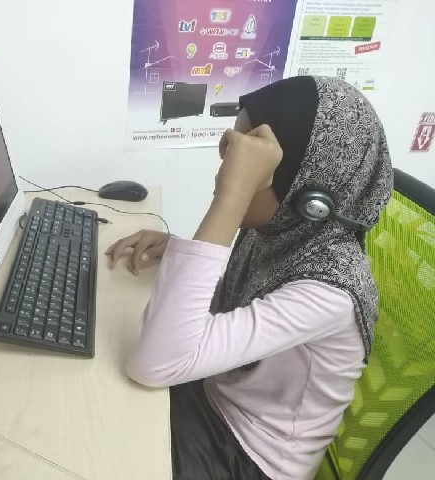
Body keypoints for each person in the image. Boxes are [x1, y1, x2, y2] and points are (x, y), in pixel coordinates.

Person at [105, 76, 393, 480]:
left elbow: (154, 364)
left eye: (246, 171)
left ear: (311, 199)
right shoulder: (283, 231)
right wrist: (179, 250)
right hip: (211, 394)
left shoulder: (330, 292)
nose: (225, 175)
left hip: (248, 456)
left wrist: (230, 198)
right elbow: (233, 299)